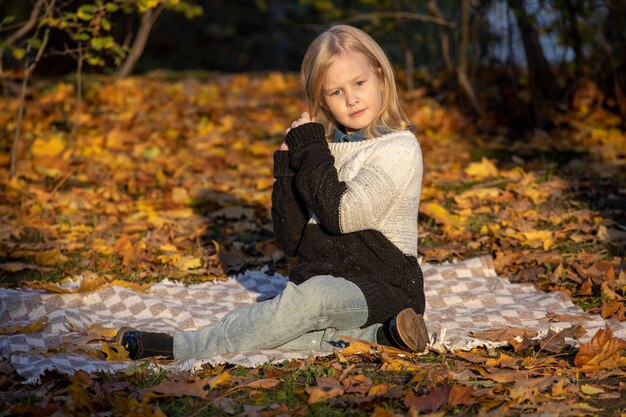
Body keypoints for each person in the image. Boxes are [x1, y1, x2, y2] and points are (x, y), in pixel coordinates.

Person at [114, 23, 428, 360]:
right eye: (336, 92)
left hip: (383, 285)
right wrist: (285, 170)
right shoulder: (320, 152)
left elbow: (342, 215)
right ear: (322, 99)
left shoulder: (398, 148)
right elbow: (292, 240)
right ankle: (383, 336)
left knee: (309, 302)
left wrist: (309, 149)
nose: (351, 99)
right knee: (290, 320)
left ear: (381, 76)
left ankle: (182, 346)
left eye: (359, 83)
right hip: (324, 284)